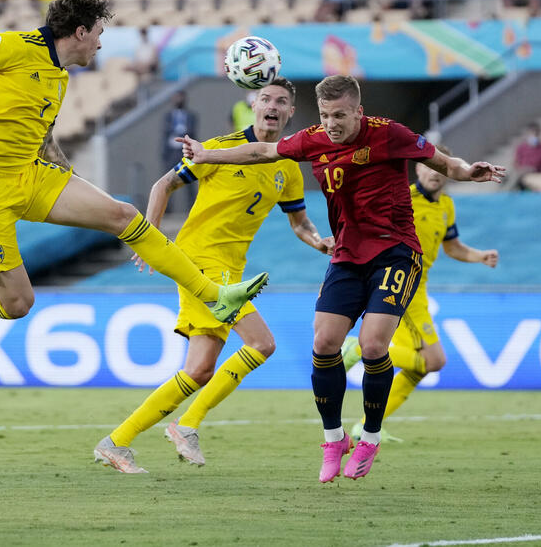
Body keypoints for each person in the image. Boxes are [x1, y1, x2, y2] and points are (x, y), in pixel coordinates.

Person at [0, 0, 270, 372]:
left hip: (29, 175)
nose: (99, 45)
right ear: (80, 32)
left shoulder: (59, 76)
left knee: (123, 215)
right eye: (98, 34)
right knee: (17, 304)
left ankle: (214, 296)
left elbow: (41, 138)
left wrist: (75, 180)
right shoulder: (14, 46)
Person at [177, 74, 505, 482]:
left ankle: (369, 436)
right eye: (326, 115)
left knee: (371, 346)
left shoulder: (390, 134)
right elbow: (261, 151)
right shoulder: (314, 139)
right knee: (324, 342)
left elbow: (441, 161)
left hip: (396, 253)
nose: (332, 123)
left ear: (358, 112)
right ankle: (334, 439)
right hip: (347, 255)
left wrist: (467, 171)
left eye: (340, 116)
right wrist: (207, 155)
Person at [95, 78, 333, 473]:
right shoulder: (219, 149)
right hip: (199, 260)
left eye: (283, 102)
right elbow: (163, 184)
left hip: (229, 268)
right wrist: (149, 239)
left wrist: (318, 241)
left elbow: (299, 222)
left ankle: (117, 441)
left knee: (200, 369)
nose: (273, 105)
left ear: (291, 113)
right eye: (266, 98)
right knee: (262, 344)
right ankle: (186, 424)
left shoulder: (288, 167)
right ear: (254, 104)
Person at [340, 147, 499, 442]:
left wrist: (479, 256)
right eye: (428, 167)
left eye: (440, 168)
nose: (433, 173)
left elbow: (452, 246)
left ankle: (366, 425)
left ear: (448, 172)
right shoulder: (402, 198)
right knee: (434, 361)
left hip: (419, 285)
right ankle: (357, 349)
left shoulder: (447, 206)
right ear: (418, 170)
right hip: (400, 281)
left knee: (421, 367)